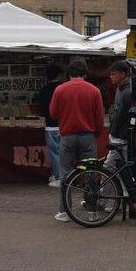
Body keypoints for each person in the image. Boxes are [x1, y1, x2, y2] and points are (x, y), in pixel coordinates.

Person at [50, 58, 105, 222]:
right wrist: (96, 133)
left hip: (67, 136)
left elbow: (53, 113)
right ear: (85, 73)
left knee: (65, 173)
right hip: (87, 136)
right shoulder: (94, 90)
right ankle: (91, 211)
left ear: (69, 73)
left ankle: (64, 211)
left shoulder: (60, 90)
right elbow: (99, 117)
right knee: (90, 173)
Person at [37, 64, 65, 187]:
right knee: (66, 152)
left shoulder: (44, 90)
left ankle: (59, 176)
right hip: (64, 125)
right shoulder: (63, 88)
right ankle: (67, 176)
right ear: (59, 74)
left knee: (55, 153)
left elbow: (42, 108)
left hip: (50, 126)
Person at [103, 61, 132, 171]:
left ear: (123, 74)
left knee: (108, 168)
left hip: (121, 137)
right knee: (120, 169)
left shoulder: (128, 92)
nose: (110, 77)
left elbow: (124, 115)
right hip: (117, 134)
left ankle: (104, 189)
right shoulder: (120, 88)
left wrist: (117, 131)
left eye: (113, 74)